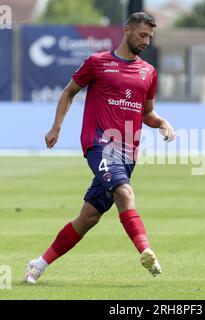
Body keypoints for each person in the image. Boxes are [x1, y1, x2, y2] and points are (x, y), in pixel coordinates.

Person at [24, 12, 176, 284]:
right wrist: (56, 126)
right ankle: (146, 250)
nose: (146, 41)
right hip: (99, 144)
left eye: (150, 37)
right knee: (125, 193)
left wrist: (162, 122)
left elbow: (147, 113)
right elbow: (69, 91)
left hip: (128, 153)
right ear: (127, 30)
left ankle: (39, 264)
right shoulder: (98, 63)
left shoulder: (148, 72)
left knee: (89, 217)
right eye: (142, 34)